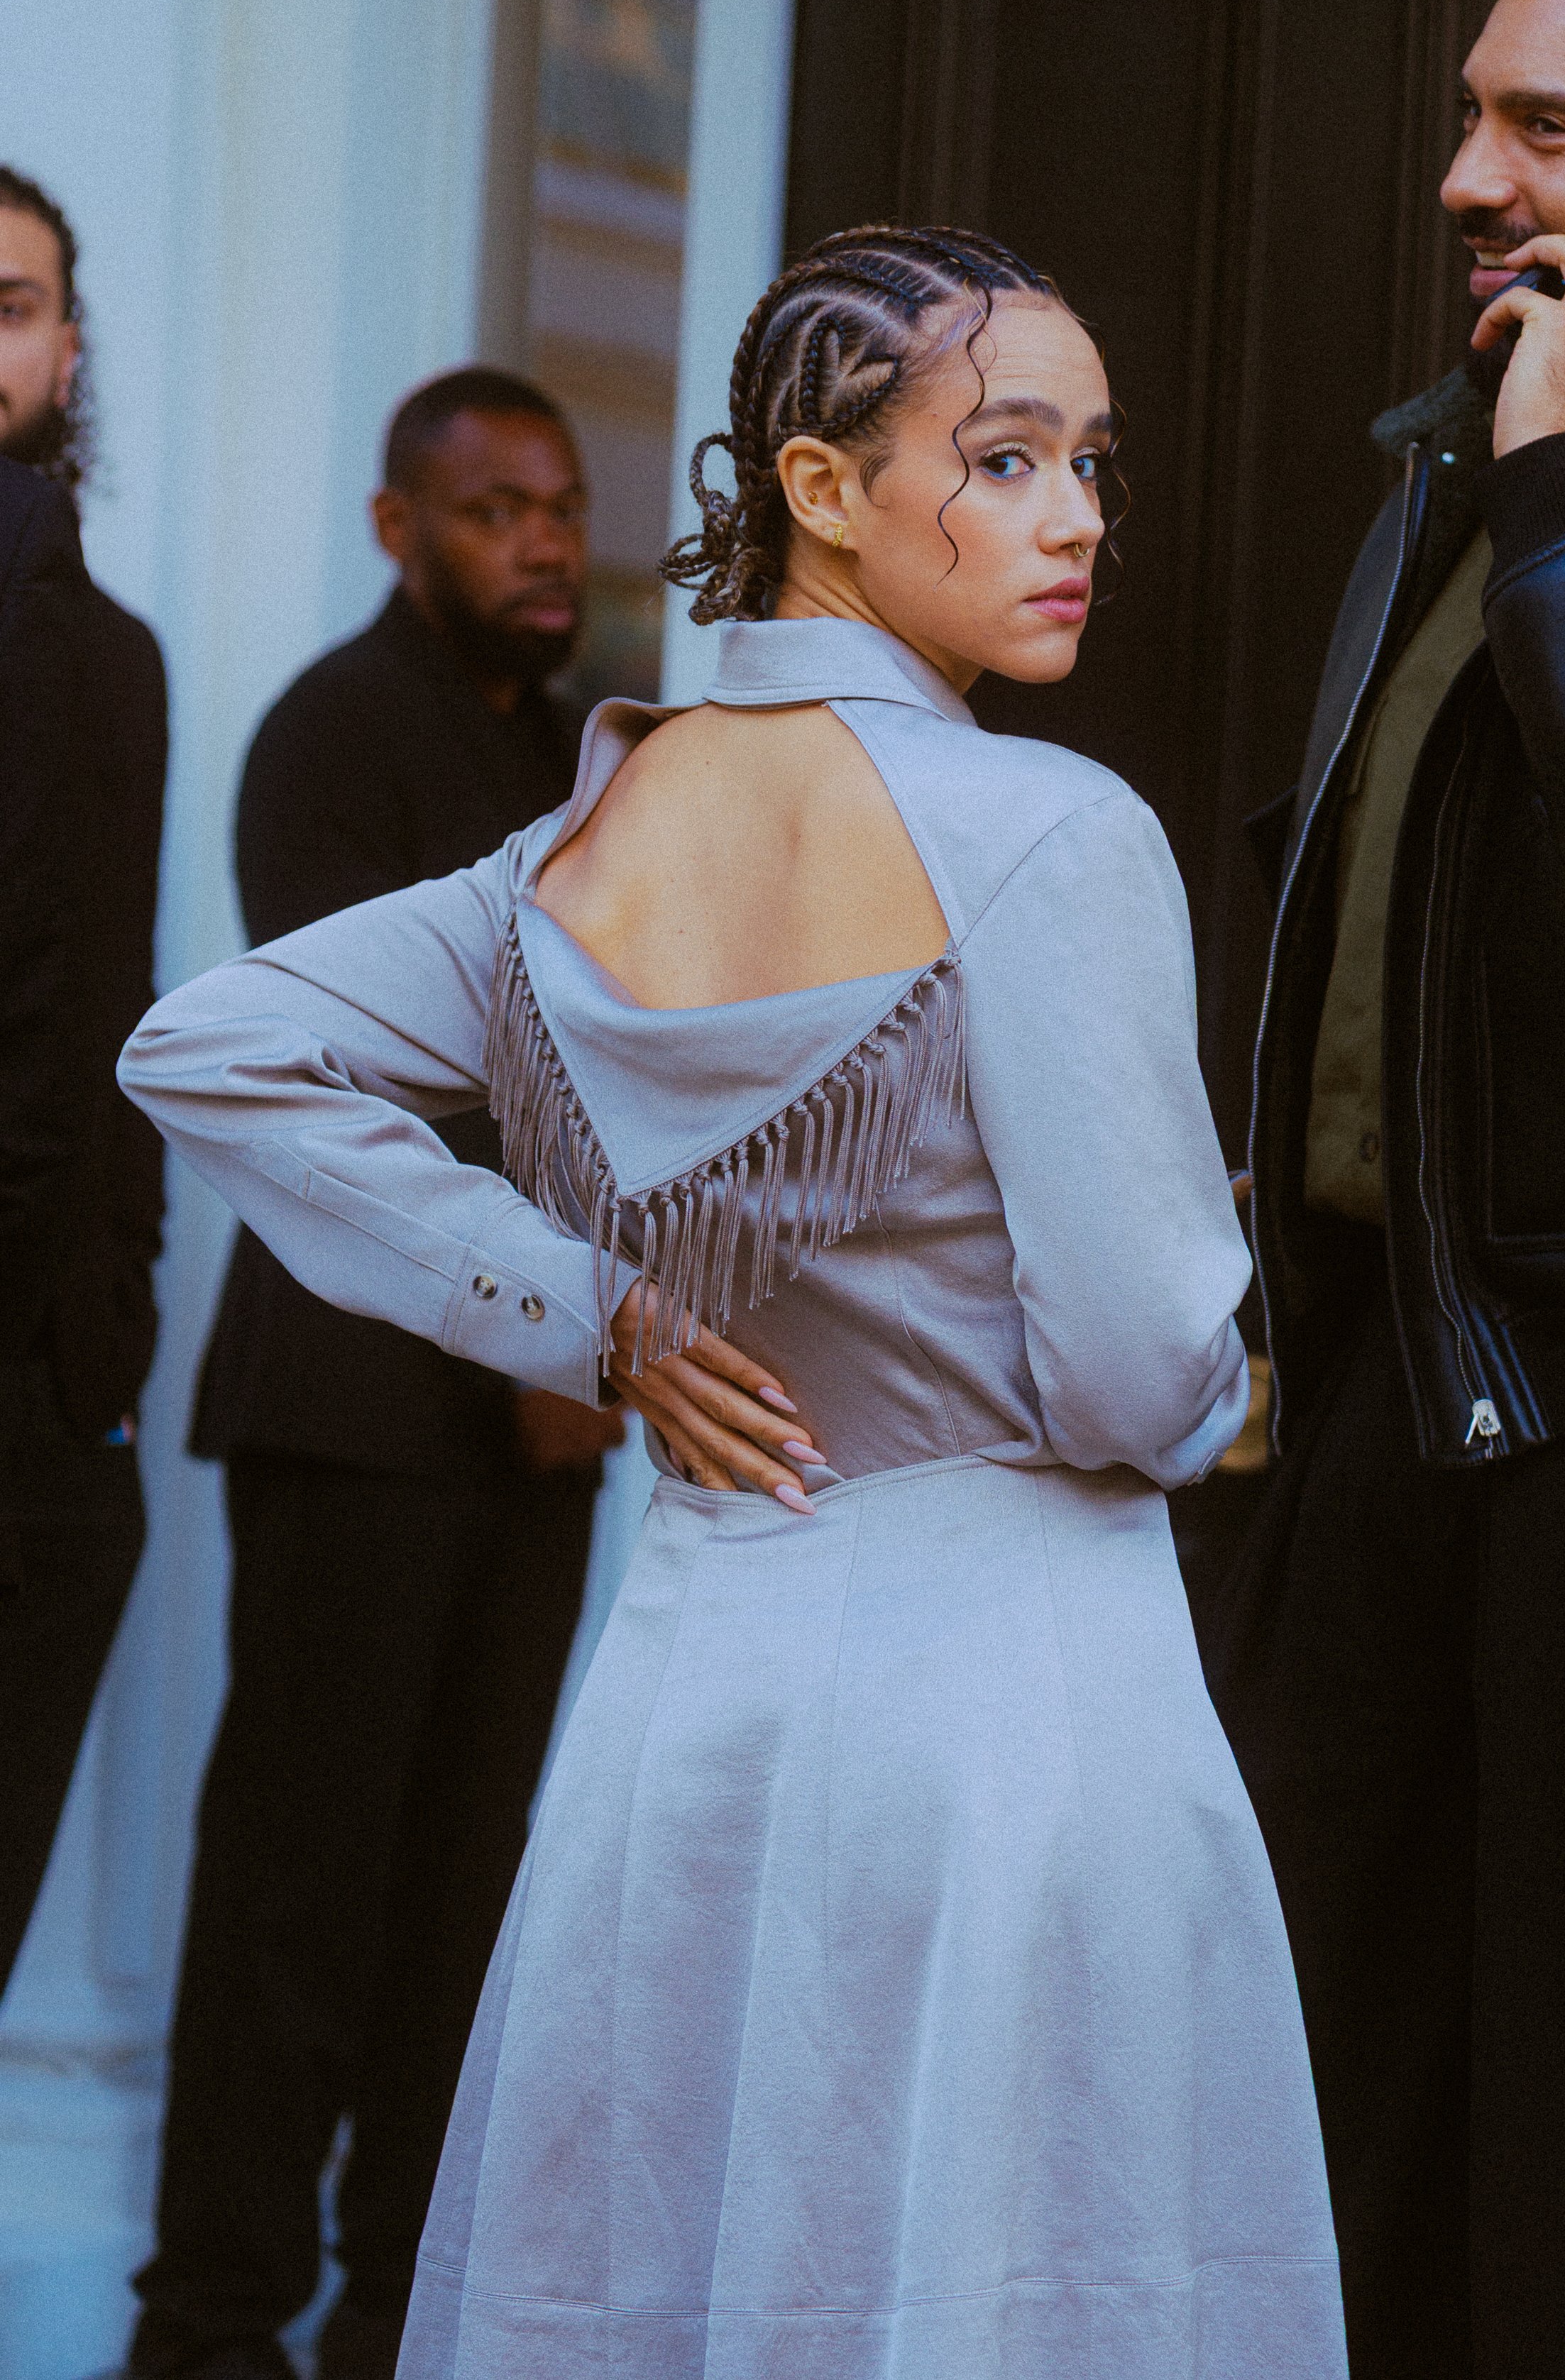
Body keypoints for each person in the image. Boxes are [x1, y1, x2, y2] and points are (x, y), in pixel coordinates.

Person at [121, 227, 1348, 2380]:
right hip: (1017, 1693)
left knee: (680, 2288)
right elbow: (1145, 1375)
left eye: (1094, 466)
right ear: (817, 485)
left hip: (699, 1694)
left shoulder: (571, 847)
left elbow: (209, 1047)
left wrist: (584, 1310)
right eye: (1005, 457)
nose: (1076, 520)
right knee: (1006, 2295)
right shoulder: (1050, 832)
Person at [1205, 0, 1565, 2380]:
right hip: (1384, 1406)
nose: (1463, 176)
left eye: (1547, 129)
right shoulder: (1480, 441)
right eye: (1471, 112)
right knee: (1318, 2118)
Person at [126, 369, 620, 2380]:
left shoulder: (583, 751)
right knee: (297, 1901)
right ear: (395, 527)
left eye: (562, 509)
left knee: (460, 1905)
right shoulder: (331, 732)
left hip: (544, 1422)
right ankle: (210, 2331)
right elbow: (359, 1070)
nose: (543, 545)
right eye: (495, 512)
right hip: (356, 1408)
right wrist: (542, 1323)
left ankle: (394, 2328)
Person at [0, 165, 166, 1995]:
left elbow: (82, 1022)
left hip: (45, 1404)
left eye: (16, 304)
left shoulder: (99, 653)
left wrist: (100, 1335)